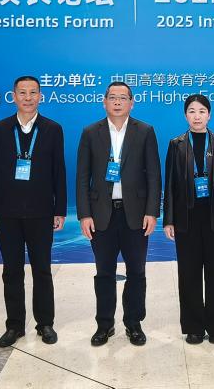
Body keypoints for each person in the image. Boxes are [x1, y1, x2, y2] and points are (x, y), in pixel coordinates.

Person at [76, 81, 161, 347]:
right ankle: (104, 325)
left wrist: (152, 212)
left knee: (136, 271)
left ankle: (134, 324)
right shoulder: (91, 132)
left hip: (135, 214)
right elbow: (82, 176)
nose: (117, 102)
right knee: (104, 272)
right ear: (104, 102)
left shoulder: (145, 131)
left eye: (123, 98)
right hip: (101, 215)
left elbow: (154, 175)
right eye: (112, 97)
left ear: (131, 103)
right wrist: (84, 215)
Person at [0, 76, 67, 347]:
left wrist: (60, 209)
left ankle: (45, 323)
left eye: (33, 93)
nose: (28, 98)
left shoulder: (52, 129)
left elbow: (59, 172)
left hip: (42, 213)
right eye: (22, 93)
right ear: (14, 96)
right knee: (12, 271)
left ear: (40, 96)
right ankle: (15, 325)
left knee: (42, 270)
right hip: (7, 214)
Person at [163, 94, 214, 345]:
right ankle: (193, 327)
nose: (197, 116)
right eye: (192, 111)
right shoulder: (176, 144)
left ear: (209, 115)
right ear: (185, 115)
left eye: (202, 111)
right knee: (189, 273)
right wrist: (169, 219)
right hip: (186, 217)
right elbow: (169, 184)